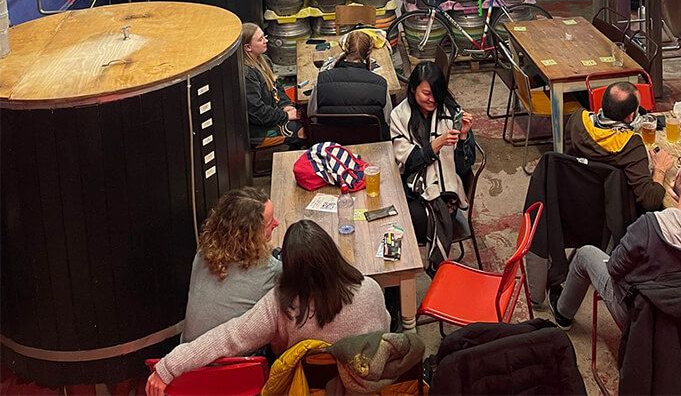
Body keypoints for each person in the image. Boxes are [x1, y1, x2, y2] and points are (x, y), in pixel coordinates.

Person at [146, 220, 390, 395]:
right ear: (332, 253)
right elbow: (384, 330)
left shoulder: (281, 306)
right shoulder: (371, 289)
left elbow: (229, 337)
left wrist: (169, 366)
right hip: (367, 385)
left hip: (305, 387)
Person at [548, 141, 681, 331]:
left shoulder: (648, 228)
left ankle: (562, 313)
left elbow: (615, 269)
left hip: (643, 319)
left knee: (585, 254)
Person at [390, 62, 475, 272]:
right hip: (411, 187)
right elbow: (409, 162)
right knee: (388, 213)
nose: (433, 99)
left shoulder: (452, 113)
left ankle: (409, 277)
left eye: (437, 93)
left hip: (445, 197)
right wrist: (437, 144)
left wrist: (463, 137)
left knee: (396, 222)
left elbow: (463, 168)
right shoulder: (400, 115)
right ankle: (399, 280)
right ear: (413, 89)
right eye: (426, 93)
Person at [183, 188, 281, 342]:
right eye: (269, 223)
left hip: (184, 350)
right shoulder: (270, 270)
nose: (277, 223)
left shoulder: (203, 252)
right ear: (252, 234)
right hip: (231, 357)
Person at [566, 80, 673, 212]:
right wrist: (660, 169)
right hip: (614, 210)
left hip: (577, 199)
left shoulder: (577, 119)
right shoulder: (630, 145)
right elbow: (650, 201)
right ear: (630, 117)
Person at [307, 28, 392, 138]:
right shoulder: (381, 84)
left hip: (330, 141)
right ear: (369, 52)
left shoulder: (323, 79)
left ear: (345, 48)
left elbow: (312, 115)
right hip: (369, 140)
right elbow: (387, 119)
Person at [242, 23, 304, 147]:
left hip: (273, 114)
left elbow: (277, 87)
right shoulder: (247, 74)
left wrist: (286, 105)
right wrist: (285, 116)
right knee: (303, 131)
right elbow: (257, 113)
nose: (266, 41)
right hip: (258, 130)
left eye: (264, 37)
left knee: (305, 116)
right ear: (248, 47)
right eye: (260, 39)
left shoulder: (264, 60)